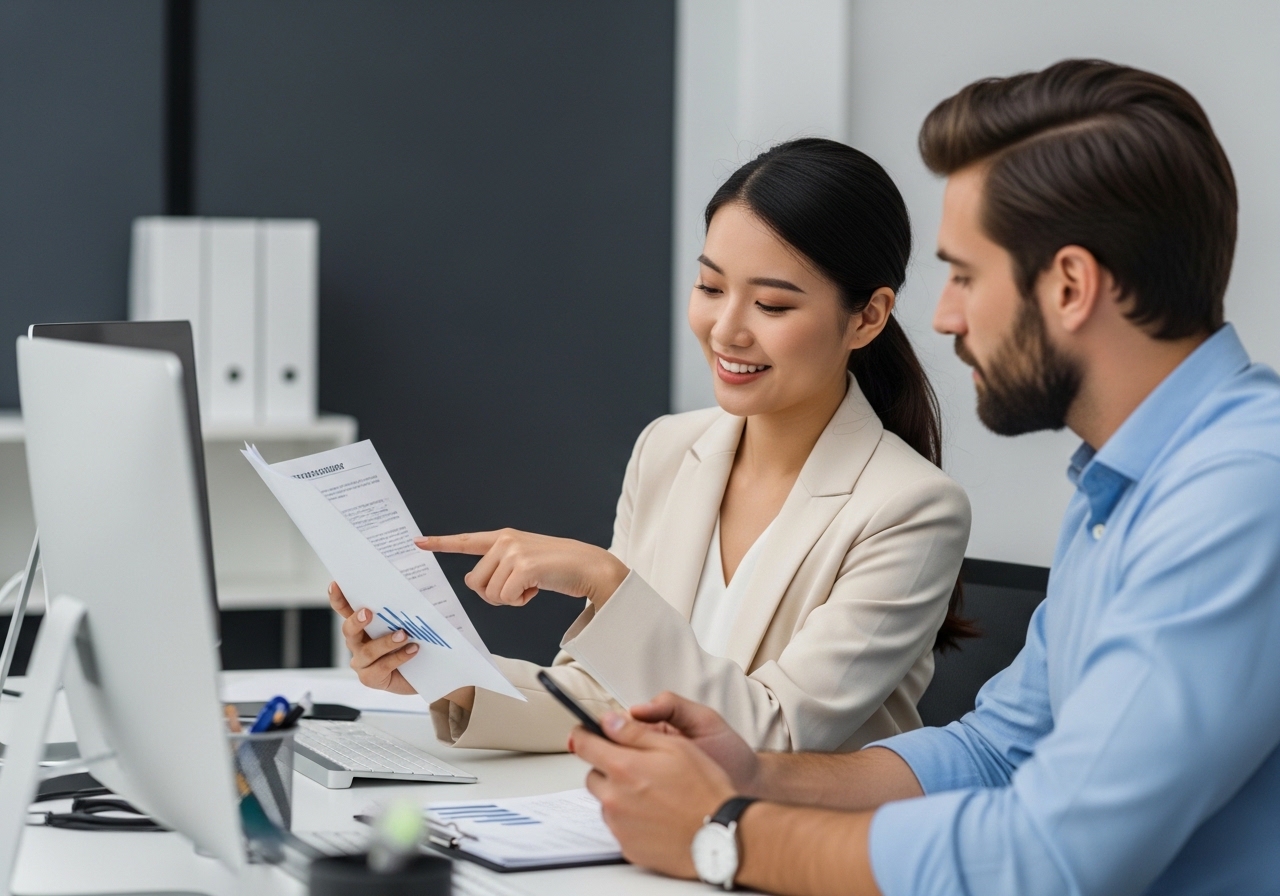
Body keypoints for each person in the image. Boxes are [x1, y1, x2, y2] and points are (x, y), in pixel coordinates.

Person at [570, 59, 1280, 895]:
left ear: (1070, 285)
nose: (944, 316)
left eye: (966, 276)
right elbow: (994, 753)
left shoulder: (1240, 495)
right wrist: (754, 773)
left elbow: (1049, 858)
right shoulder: (1124, 487)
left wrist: (723, 835)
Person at [330, 138, 972, 753]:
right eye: (711, 288)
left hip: (785, 825)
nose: (726, 329)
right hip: (650, 813)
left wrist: (607, 584)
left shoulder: (911, 508)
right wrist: (447, 674)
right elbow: (609, 699)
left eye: (772, 305)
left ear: (867, 317)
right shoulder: (668, 448)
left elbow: (775, 735)